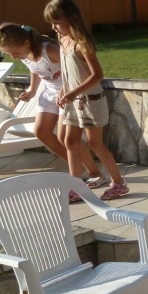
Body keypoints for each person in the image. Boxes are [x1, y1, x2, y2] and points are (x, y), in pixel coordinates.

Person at [43, 0, 129, 201]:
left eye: (57, 21)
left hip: (90, 102)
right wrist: (64, 91)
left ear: (71, 18)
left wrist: (73, 93)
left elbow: (97, 75)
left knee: (94, 143)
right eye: (51, 23)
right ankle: (75, 186)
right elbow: (67, 72)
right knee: (70, 141)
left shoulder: (82, 44)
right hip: (73, 101)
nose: (54, 27)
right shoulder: (62, 42)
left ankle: (119, 183)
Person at [0, 23, 107, 185]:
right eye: (9, 55)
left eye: (15, 52)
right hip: (49, 93)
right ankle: (79, 166)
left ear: (26, 43)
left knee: (67, 139)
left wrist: (65, 91)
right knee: (41, 131)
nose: (14, 57)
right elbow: (34, 68)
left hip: (67, 93)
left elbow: (72, 70)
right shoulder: (25, 53)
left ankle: (94, 172)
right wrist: (32, 90)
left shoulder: (49, 49)